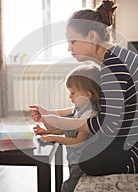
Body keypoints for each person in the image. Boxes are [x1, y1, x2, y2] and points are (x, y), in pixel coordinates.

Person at [30, 0, 138, 177]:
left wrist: (58, 121)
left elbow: (106, 125)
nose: (68, 48)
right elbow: (100, 112)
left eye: (73, 41)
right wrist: (55, 117)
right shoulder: (115, 58)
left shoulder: (114, 65)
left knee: (88, 160)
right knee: (89, 143)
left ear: (92, 36)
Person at [30, 64, 101, 192]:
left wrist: (54, 137)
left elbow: (78, 141)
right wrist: (47, 130)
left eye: (73, 93)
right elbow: (69, 129)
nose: (70, 96)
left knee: (68, 187)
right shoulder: (80, 108)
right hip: (74, 159)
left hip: (81, 161)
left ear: (88, 95)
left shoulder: (89, 115)